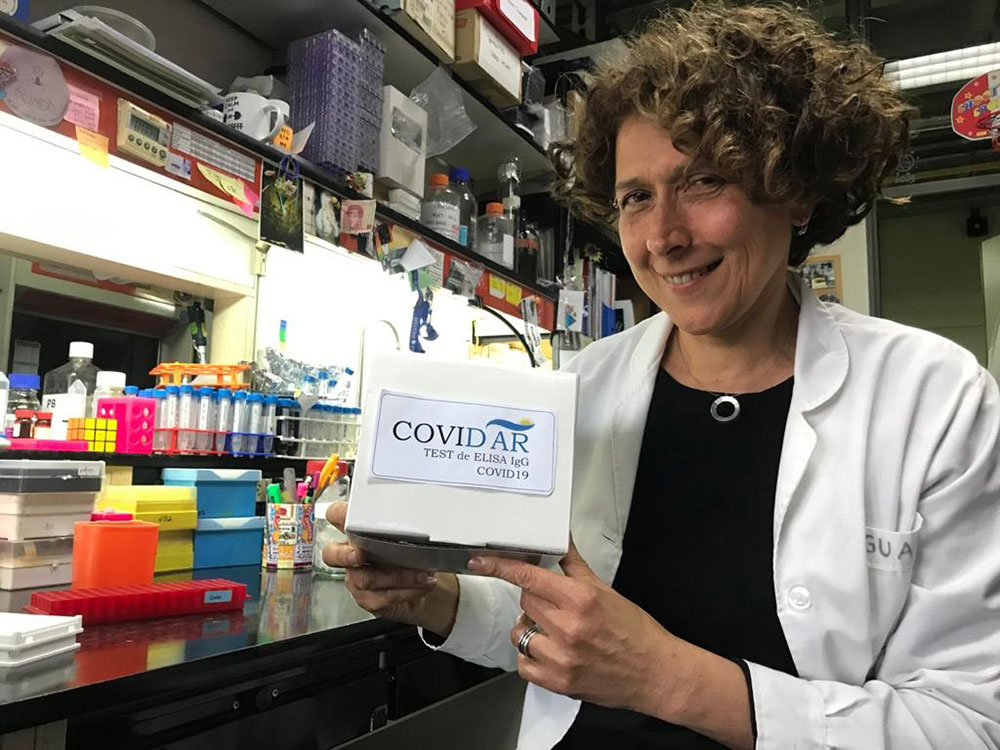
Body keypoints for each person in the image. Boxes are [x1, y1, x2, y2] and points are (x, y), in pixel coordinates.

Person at [324, 2, 1000, 747]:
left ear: (797, 190)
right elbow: (557, 629)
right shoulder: (587, 386)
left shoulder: (934, 398)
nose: (663, 237)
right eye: (636, 198)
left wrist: (665, 678)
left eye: (705, 182)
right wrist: (440, 599)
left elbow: (968, 722)